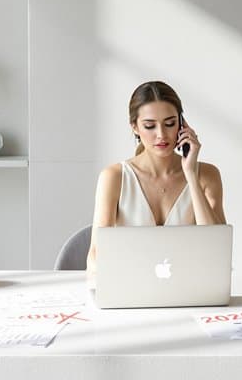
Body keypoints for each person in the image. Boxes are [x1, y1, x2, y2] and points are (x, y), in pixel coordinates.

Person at [86, 81, 226, 275]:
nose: (161, 134)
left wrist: (191, 176)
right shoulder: (114, 177)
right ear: (135, 127)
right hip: (130, 291)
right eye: (150, 126)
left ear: (182, 124)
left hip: (191, 292)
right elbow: (95, 256)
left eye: (170, 124)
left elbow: (217, 251)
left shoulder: (207, 176)